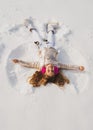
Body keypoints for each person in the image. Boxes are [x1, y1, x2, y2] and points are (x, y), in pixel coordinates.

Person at [12, 18, 85, 88]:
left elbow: (29, 64)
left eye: (48, 70)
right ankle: (50, 27)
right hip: (51, 46)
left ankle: (29, 26)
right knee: (51, 36)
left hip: (40, 46)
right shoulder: (57, 65)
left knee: (36, 36)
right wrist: (78, 67)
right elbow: (68, 66)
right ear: (55, 70)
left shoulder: (40, 65)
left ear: (44, 70)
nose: (50, 68)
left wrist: (19, 61)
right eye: (52, 70)